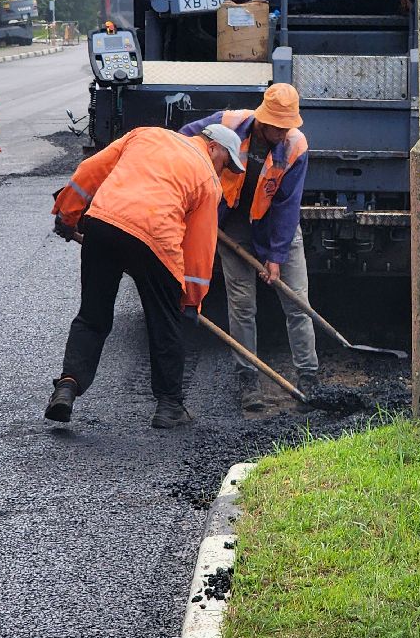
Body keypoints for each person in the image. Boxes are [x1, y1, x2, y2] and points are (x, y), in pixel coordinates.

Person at [45, 124, 243, 428]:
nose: (223, 172)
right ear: (213, 147)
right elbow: (198, 247)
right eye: (225, 164)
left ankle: (67, 386)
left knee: (92, 315)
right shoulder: (207, 178)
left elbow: (90, 171)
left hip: (104, 223)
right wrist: (191, 300)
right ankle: (169, 407)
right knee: (165, 323)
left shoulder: (146, 135)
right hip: (156, 241)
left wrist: (68, 214)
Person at [179, 83, 317, 410]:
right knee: (242, 305)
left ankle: (309, 377)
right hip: (234, 223)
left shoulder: (296, 145)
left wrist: (276, 256)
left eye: (287, 127)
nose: (283, 133)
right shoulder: (227, 123)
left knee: (297, 301)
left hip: (275, 224)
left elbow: (287, 205)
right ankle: (247, 379)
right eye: (278, 127)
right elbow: (183, 141)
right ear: (263, 119)